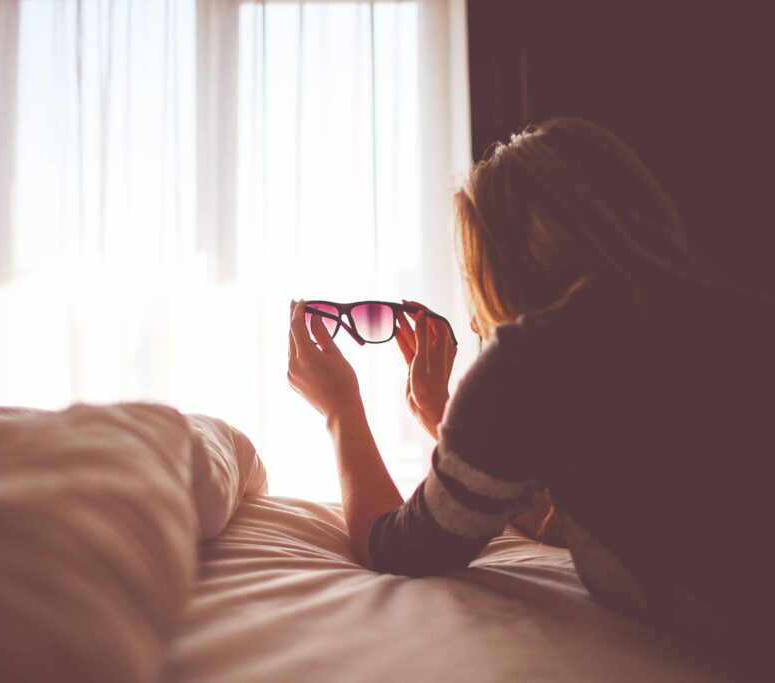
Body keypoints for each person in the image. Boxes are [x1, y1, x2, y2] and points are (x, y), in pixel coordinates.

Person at [286, 117, 771, 672]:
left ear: (500, 260)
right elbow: (629, 511)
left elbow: (400, 546)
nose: (471, 317)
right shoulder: (732, 315)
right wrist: (444, 416)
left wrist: (341, 410)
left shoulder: (531, 359)